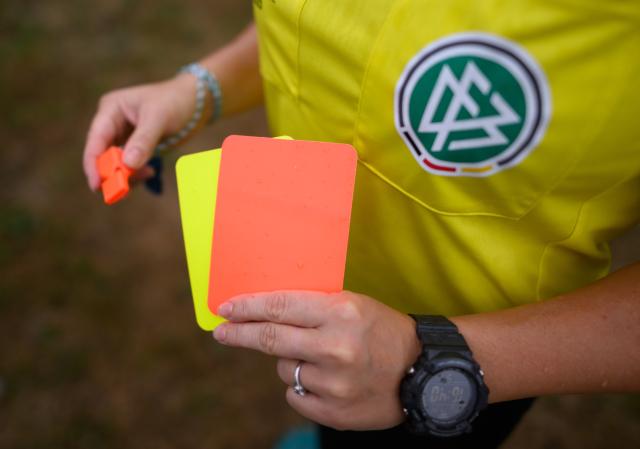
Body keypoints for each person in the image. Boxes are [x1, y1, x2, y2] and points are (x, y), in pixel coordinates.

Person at [83, 2, 640, 448]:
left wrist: (438, 359)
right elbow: (326, 33)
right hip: (297, 266)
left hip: (471, 345)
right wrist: (200, 88)